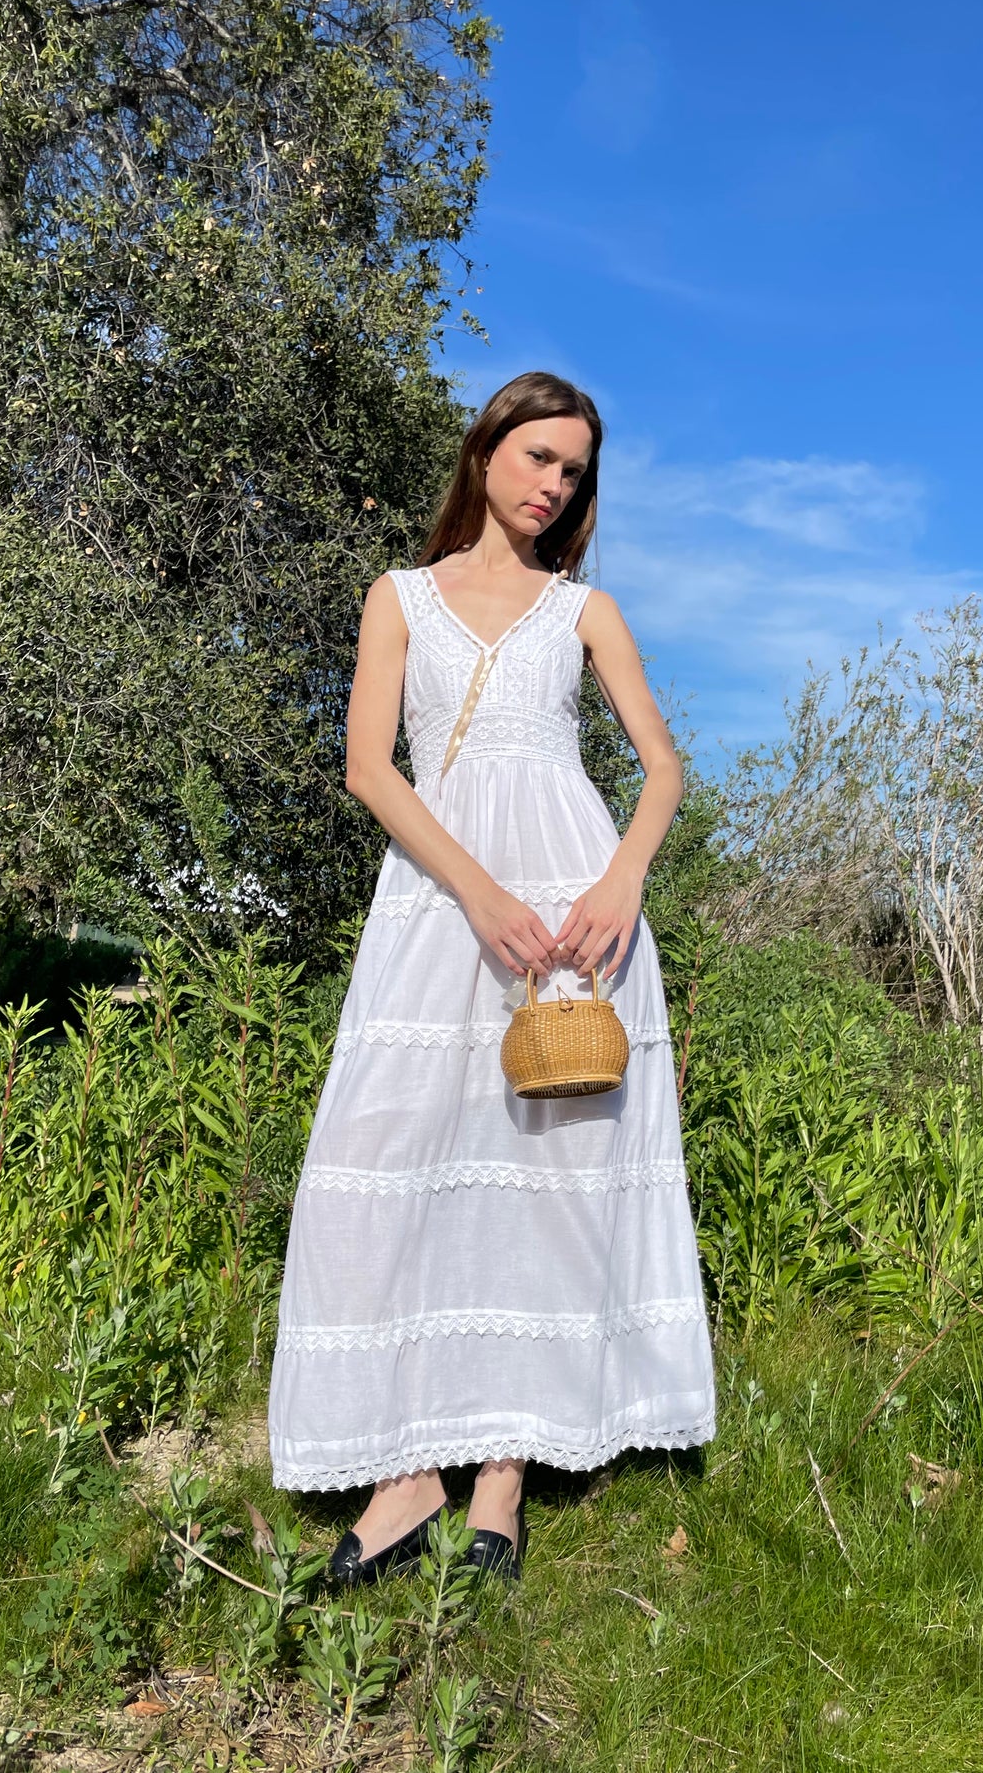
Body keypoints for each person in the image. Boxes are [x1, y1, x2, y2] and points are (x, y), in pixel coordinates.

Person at [267, 371, 716, 1583]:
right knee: (387, 1161)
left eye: (572, 470)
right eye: (536, 457)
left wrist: (620, 882)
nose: (552, 485)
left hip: (575, 913)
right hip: (441, 900)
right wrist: (477, 894)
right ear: (484, 453)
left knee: (550, 1176)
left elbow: (661, 767)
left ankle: (502, 1474)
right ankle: (409, 1470)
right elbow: (369, 768)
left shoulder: (584, 611)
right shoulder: (400, 596)